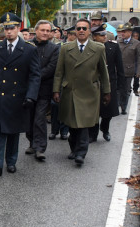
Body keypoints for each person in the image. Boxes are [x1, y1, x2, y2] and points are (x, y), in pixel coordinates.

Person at [0, 13, 41, 176]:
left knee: (13, 132)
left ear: (18, 28)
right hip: (0, 96)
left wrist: (31, 96)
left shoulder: (29, 50)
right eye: (6, 28)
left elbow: (35, 75)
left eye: (12, 28)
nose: (9, 32)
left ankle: (11, 161)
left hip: (18, 96)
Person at [52, 19, 110, 166]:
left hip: (89, 93)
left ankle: (81, 153)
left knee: (84, 124)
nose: (81, 31)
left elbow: (104, 72)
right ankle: (74, 148)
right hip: (70, 91)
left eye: (84, 28)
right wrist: (56, 90)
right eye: (79, 28)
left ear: (90, 31)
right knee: (72, 124)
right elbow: (59, 72)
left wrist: (107, 92)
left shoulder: (98, 48)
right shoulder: (66, 48)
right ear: (75, 31)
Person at [25, 20, 59, 161]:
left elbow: (51, 68)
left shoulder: (55, 48)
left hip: (44, 89)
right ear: (36, 30)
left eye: (48, 30)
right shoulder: (27, 46)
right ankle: (32, 142)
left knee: (39, 118)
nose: (45, 33)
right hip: (27, 89)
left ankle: (40, 148)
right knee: (29, 118)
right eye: (42, 30)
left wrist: (35, 76)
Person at [88, 25, 125, 142]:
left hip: (110, 83)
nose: (104, 37)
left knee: (108, 111)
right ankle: (92, 134)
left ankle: (105, 129)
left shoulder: (112, 47)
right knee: (94, 110)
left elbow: (120, 67)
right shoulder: (89, 48)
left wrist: (120, 86)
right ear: (94, 37)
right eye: (101, 35)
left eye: (104, 34)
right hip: (94, 83)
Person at [50, 25, 75, 140]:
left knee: (67, 107)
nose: (75, 37)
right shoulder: (59, 46)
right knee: (55, 106)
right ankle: (54, 130)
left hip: (70, 81)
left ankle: (64, 131)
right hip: (59, 80)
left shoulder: (78, 48)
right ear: (68, 35)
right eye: (73, 34)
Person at [116, 23, 140, 115]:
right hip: (118, 70)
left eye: (124, 31)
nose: (122, 33)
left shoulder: (136, 43)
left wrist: (139, 71)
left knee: (126, 90)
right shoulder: (118, 42)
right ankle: (118, 105)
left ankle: (124, 107)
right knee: (118, 89)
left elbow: (139, 58)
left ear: (130, 32)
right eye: (121, 32)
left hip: (129, 70)